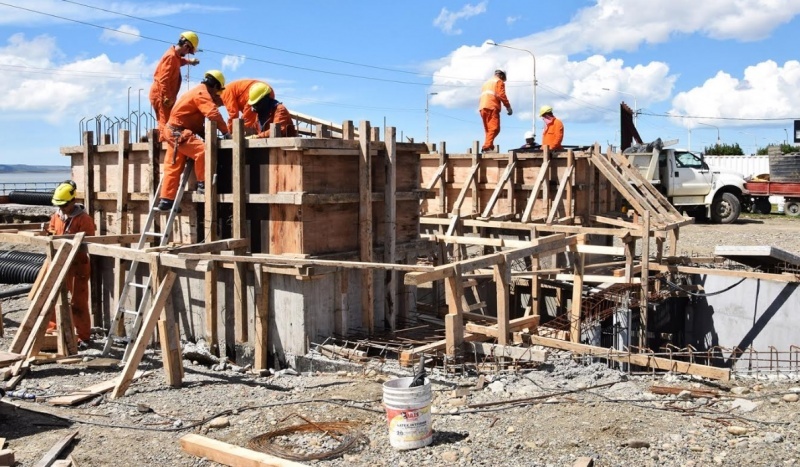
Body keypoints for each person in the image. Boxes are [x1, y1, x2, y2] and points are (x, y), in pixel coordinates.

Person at [156, 70, 230, 211]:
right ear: (214, 86)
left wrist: (206, 134)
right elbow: (212, 113)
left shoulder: (195, 92)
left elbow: (194, 123)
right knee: (203, 151)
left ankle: (166, 200)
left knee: (173, 167)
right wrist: (226, 132)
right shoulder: (202, 93)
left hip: (173, 132)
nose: (216, 95)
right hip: (178, 133)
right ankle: (203, 184)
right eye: (218, 91)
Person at [46, 181, 96, 349]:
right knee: (52, 297)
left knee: (78, 302)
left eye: (64, 205)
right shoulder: (56, 216)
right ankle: (52, 330)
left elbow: (88, 240)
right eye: (59, 205)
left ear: (72, 201)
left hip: (77, 265)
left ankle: (83, 336)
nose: (62, 208)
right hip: (60, 262)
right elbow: (52, 230)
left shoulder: (84, 219)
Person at [149, 31, 201, 135]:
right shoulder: (171, 57)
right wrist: (167, 97)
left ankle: (161, 140)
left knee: (166, 122)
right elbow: (163, 79)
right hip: (161, 94)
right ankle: (164, 146)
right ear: (186, 46)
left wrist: (189, 62)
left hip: (163, 94)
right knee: (166, 123)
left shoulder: (174, 56)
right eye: (189, 51)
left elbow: (178, 61)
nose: (187, 54)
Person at [478, 69, 512, 152]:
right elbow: (501, 95)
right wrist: (508, 107)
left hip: (483, 107)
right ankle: (487, 147)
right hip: (492, 106)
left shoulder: (487, 83)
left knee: (488, 129)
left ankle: (488, 146)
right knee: (495, 128)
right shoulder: (498, 81)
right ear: (501, 75)